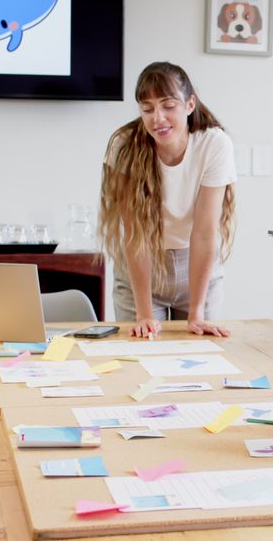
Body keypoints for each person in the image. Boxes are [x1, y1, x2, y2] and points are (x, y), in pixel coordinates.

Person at [99, 62, 236, 339]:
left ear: (189, 104)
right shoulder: (124, 145)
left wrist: (197, 312)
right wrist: (144, 314)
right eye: (147, 109)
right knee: (141, 353)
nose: (157, 118)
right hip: (141, 266)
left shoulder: (213, 144)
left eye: (168, 105)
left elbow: (204, 233)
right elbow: (135, 234)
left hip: (195, 264)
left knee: (200, 351)